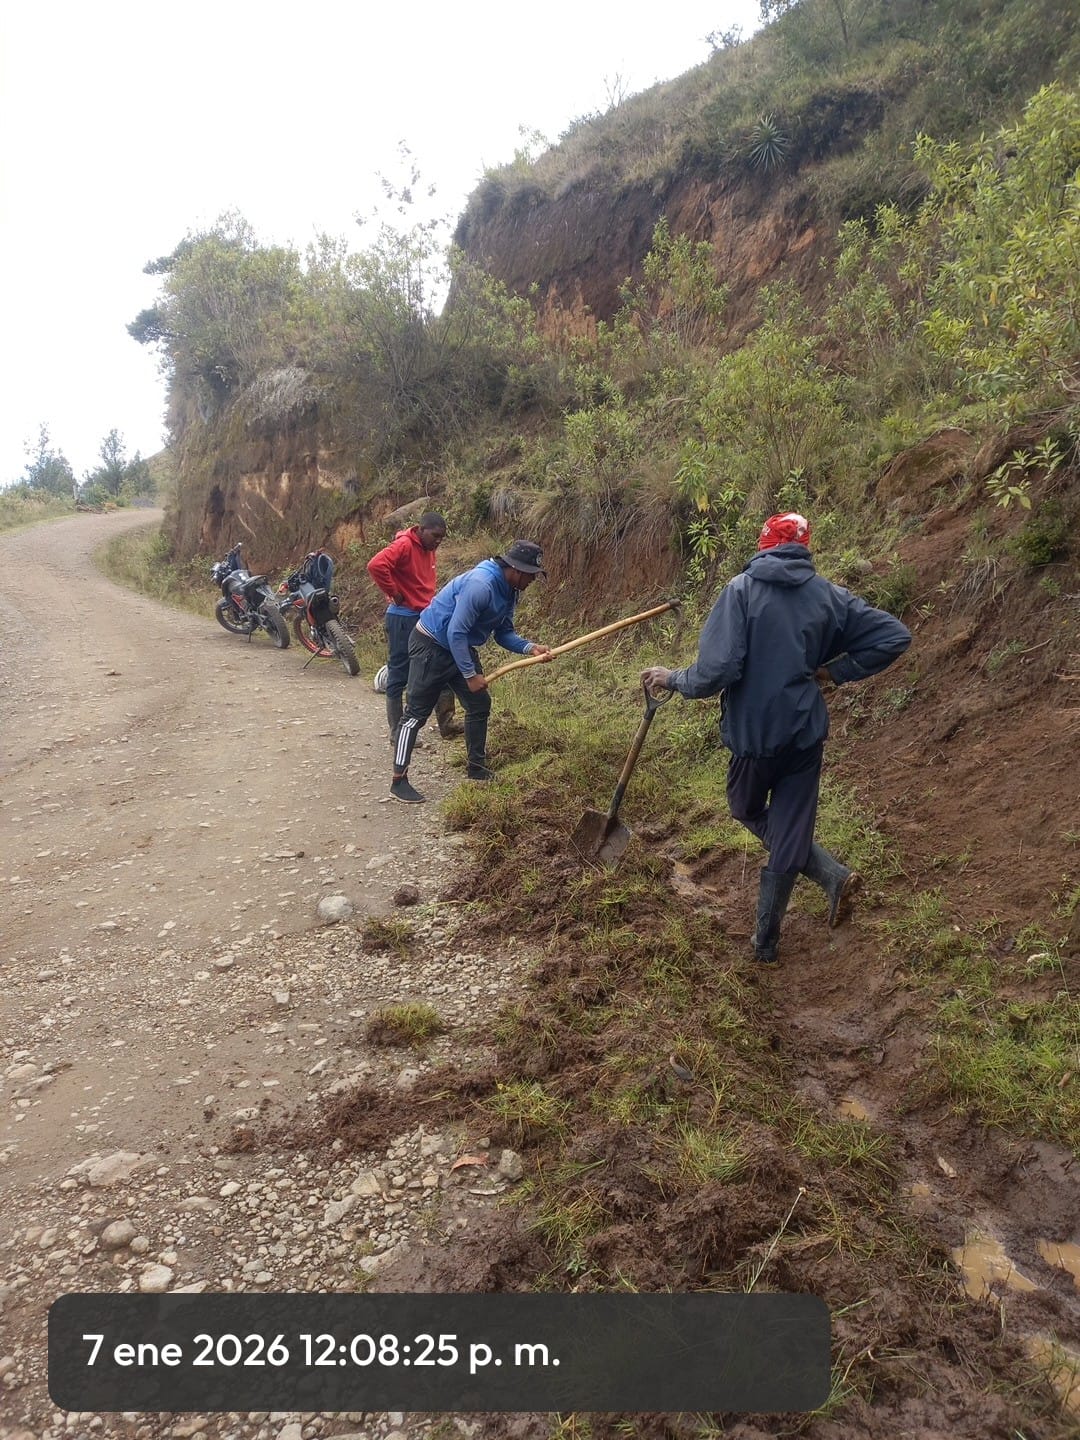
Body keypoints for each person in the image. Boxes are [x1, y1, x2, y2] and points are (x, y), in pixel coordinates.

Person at [641, 511, 911, 964]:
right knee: (787, 827)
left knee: (744, 806)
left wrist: (673, 678)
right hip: (803, 734)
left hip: (755, 736)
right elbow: (894, 636)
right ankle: (818, 888)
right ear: (804, 547)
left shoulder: (741, 592)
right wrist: (833, 671)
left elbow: (717, 670)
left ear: (764, 545)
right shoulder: (828, 596)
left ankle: (770, 937)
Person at [390, 539, 553, 803]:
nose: (533, 580)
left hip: (459, 646)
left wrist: (530, 647)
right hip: (431, 645)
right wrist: (469, 675)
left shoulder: (510, 591)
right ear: (516, 569)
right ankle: (399, 781)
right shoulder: (481, 585)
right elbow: (455, 631)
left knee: (479, 705)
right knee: (415, 716)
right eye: (531, 574)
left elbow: (504, 633)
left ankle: (476, 768)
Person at [366, 513, 462, 749]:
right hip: (403, 618)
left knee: (442, 665)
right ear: (421, 529)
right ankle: (397, 732)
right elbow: (376, 565)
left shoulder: (428, 548)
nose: (438, 541)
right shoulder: (404, 544)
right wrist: (393, 591)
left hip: (426, 617)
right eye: (435, 536)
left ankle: (447, 724)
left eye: (442, 537)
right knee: (399, 674)